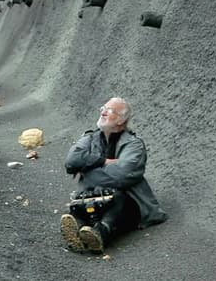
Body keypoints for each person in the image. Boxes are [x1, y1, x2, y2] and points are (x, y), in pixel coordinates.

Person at [61, 97, 168, 253]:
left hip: (127, 203)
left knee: (117, 199)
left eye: (110, 110)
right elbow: (71, 162)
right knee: (82, 202)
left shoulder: (134, 145)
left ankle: (100, 234)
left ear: (121, 121)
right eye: (103, 108)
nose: (103, 111)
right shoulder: (89, 138)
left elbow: (120, 175)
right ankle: (78, 228)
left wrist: (87, 170)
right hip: (93, 196)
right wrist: (103, 161)